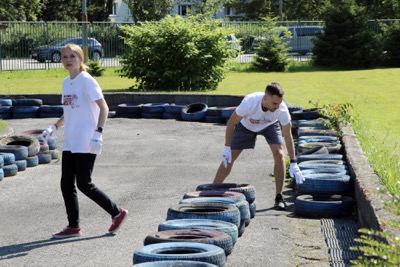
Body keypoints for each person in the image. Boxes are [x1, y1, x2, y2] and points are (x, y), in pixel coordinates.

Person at [41, 44, 128, 239]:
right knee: (66, 184)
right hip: (71, 140)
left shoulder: (86, 80)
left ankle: (117, 212)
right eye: (64, 56)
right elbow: (69, 110)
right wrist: (54, 127)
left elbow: (104, 108)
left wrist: (98, 132)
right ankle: (73, 227)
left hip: (87, 139)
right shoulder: (66, 82)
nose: (68, 60)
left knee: (84, 183)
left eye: (73, 56)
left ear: (81, 58)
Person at [212, 82, 304, 210]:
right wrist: (227, 147)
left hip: (270, 125)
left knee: (279, 154)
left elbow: (288, 136)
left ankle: (279, 196)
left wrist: (294, 162)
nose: (277, 106)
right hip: (246, 126)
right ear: (265, 98)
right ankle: (212, 190)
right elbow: (231, 123)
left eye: (279, 103)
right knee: (229, 158)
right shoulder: (250, 102)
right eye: (274, 103)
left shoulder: (281, 110)